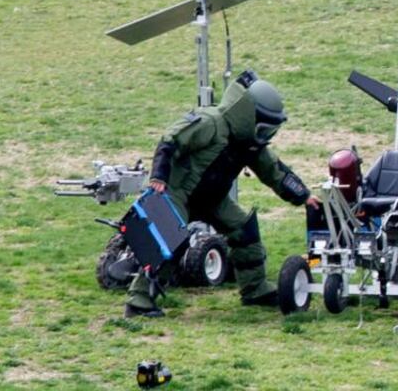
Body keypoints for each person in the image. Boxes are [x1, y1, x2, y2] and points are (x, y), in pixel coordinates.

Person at [125, 70, 320, 318]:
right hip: (176, 192)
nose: (265, 136)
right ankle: (139, 301)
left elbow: (275, 172)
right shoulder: (210, 123)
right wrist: (159, 177)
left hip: (213, 199)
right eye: (264, 128)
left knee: (244, 229)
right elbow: (170, 142)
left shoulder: (249, 144)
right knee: (169, 241)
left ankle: (255, 289)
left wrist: (304, 196)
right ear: (249, 115)